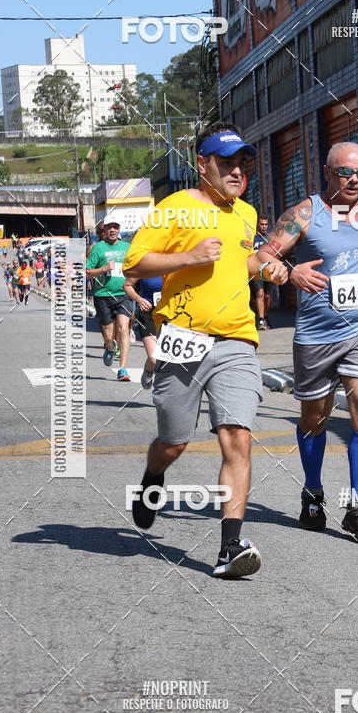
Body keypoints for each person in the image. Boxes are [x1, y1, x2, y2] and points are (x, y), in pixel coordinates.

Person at [123, 122, 287, 578]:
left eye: (243, 163)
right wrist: (186, 258)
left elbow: (243, 262)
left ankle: (230, 547)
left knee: (237, 437)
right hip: (182, 343)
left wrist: (269, 267)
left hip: (236, 340)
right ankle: (152, 478)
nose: (237, 171)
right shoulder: (175, 208)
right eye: (227, 163)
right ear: (203, 165)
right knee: (173, 444)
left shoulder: (246, 214)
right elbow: (133, 263)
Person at [255, 141, 358, 541]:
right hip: (316, 335)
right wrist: (291, 273)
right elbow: (262, 257)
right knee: (314, 419)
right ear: (328, 173)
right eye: (347, 173)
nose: (356, 180)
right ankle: (313, 491)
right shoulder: (305, 213)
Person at [86, 219, 133, 381]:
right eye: (109, 228)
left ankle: (123, 369)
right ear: (104, 231)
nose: (113, 230)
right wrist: (104, 268)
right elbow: (88, 272)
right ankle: (110, 347)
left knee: (124, 328)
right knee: (108, 335)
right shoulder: (97, 248)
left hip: (123, 294)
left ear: (119, 230)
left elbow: (134, 266)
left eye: (116, 227)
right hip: (103, 296)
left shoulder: (127, 247)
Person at [123, 273, 164, 389]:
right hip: (148, 313)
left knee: (168, 357)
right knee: (154, 357)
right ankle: (149, 371)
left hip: (171, 314)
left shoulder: (177, 264)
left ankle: (165, 391)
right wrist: (139, 299)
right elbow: (127, 285)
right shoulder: (146, 266)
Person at [249, 215, 273, 330]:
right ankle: (261, 320)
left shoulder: (270, 238)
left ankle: (265, 315)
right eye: (261, 224)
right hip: (257, 271)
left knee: (267, 297)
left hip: (269, 270)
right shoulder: (253, 238)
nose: (264, 227)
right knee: (260, 294)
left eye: (266, 224)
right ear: (257, 225)